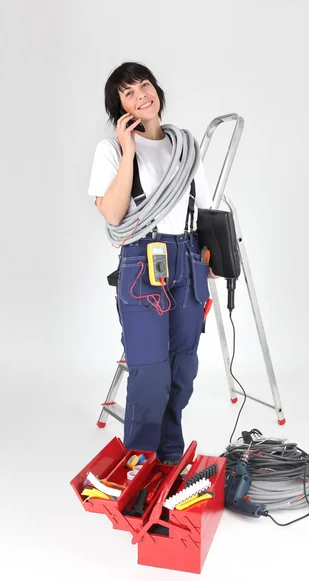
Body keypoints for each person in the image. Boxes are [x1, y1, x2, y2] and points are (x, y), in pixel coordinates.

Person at [88, 62, 218, 465]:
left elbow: (199, 208)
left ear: (156, 90)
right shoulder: (110, 150)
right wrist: (129, 152)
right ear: (119, 107)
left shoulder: (184, 147)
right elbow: (112, 214)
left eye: (144, 84)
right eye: (128, 92)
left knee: (183, 369)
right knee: (150, 372)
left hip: (189, 258)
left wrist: (210, 256)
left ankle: (169, 457)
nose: (141, 93)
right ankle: (141, 462)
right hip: (142, 262)